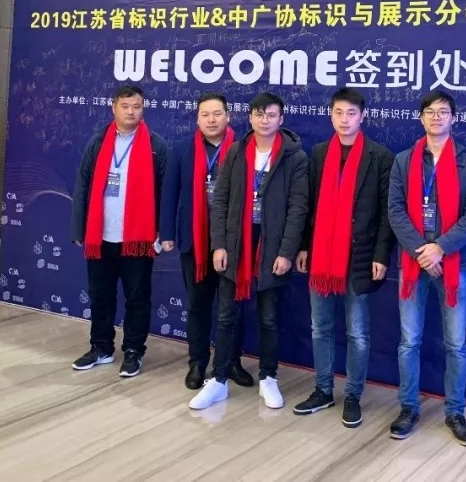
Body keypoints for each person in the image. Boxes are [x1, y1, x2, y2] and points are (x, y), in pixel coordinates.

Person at [188, 91, 309, 411]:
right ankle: (218, 380)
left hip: (272, 246)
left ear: (281, 119)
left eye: (271, 115)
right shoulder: (237, 151)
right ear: (249, 118)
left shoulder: (294, 157)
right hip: (236, 244)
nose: (264, 120)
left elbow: (298, 208)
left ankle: (268, 377)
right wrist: (219, 245)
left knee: (269, 317)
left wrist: (286, 251)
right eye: (259, 115)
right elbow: (221, 201)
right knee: (226, 316)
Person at [387, 89, 466, 446]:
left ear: (453, 118)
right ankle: (408, 408)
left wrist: (440, 248)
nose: (436, 116)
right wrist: (421, 252)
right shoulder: (404, 161)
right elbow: (395, 210)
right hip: (413, 264)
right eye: (429, 111)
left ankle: (455, 412)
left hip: (454, 263)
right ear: (420, 118)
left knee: (455, 344)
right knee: (408, 341)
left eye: (443, 111)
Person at [293, 88, 395, 428]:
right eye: (338, 113)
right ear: (330, 115)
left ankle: (353, 395)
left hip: (360, 255)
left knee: (357, 332)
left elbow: (387, 214)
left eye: (351, 113)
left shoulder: (379, 156)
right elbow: (309, 205)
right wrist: (304, 246)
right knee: (320, 327)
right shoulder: (320, 153)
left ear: (362, 116)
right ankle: (323, 389)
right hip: (321, 255)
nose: (344, 119)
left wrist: (381, 254)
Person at [69, 84, 168, 379]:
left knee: (137, 297)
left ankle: (134, 351)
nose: (131, 112)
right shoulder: (99, 142)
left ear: (143, 109)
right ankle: (101, 348)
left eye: (136, 106)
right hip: (101, 235)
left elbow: (165, 193)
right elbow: (83, 185)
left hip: (137, 238)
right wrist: (79, 227)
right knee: (100, 295)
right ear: (113, 107)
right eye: (125, 106)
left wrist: (162, 232)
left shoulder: (155, 145)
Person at [159, 92, 254, 390]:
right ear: (197, 118)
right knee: (198, 306)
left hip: (232, 242)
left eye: (217, 114)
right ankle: (197, 363)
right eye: (205, 115)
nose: (211, 120)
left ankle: (231, 362)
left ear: (228, 116)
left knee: (232, 308)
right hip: (194, 242)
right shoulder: (181, 149)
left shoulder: (243, 149)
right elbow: (169, 193)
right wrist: (167, 233)